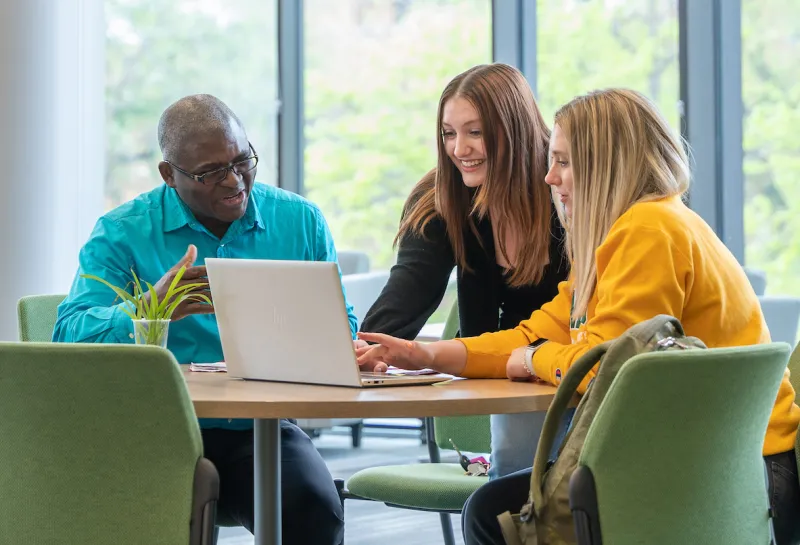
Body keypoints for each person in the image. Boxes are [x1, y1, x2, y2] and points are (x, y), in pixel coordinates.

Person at [356, 88, 800, 545]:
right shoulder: (635, 231)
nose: (549, 177)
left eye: (564, 162)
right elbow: (531, 333)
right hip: (726, 461)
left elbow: (605, 368)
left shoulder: (649, 230)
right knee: (499, 505)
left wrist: (532, 360)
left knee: (494, 512)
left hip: (731, 473)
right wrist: (421, 352)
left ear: (607, 164)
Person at [54, 94, 356, 545]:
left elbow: (343, 327)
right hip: (154, 427)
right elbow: (68, 335)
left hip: (260, 429)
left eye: (242, 160)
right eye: (211, 172)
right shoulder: (122, 232)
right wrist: (149, 309)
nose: (234, 180)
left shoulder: (300, 221)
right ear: (168, 175)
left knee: (312, 509)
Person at [357, 63, 570, 478]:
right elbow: (409, 287)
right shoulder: (442, 198)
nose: (459, 149)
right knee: (513, 496)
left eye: (475, 132)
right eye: (449, 134)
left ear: (516, 129)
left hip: (577, 364)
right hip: (510, 376)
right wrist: (369, 346)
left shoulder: (566, 188)